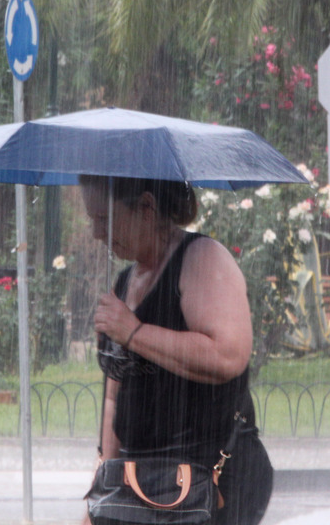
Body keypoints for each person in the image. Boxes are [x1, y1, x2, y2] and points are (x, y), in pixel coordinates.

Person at [80, 175, 273, 525]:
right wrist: (104, 483)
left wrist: (135, 332)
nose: (96, 233)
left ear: (147, 208)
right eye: (92, 220)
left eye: (104, 219)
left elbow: (227, 355)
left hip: (206, 484)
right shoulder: (125, 282)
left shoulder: (202, 259)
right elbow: (114, 395)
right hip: (142, 484)